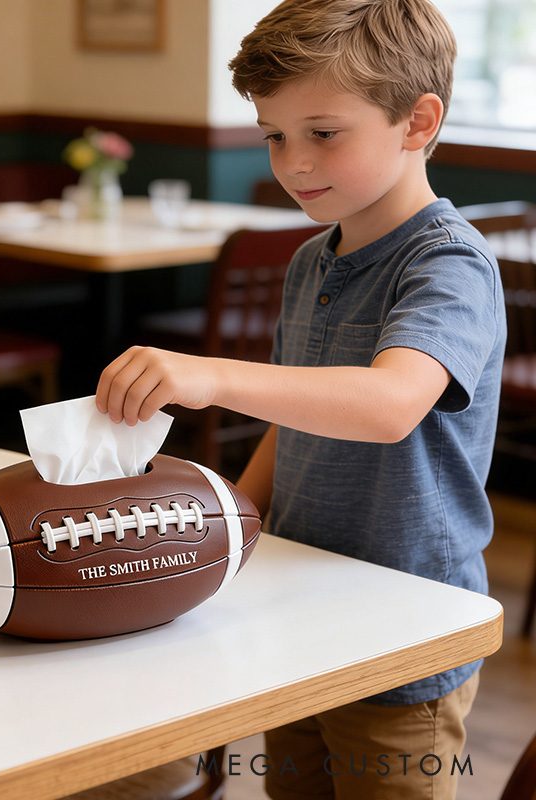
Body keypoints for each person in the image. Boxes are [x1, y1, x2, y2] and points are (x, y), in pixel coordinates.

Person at [95, 0, 506, 797]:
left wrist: (210, 374)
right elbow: (294, 419)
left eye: (323, 133)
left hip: (404, 633)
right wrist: (227, 531)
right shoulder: (311, 260)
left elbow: (390, 405)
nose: (293, 163)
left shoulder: (449, 264)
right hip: (305, 609)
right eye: (274, 135)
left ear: (418, 121)